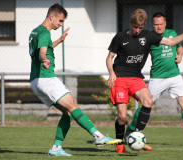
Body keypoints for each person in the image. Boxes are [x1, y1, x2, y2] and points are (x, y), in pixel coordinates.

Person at [28, 3, 122, 157]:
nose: (61, 24)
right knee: (73, 106)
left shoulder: (35, 31)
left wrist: (59, 40)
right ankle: (98, 136)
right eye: (60, 21)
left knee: (68, 113)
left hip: (35, 81)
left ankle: (56, 148)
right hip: (46, 79)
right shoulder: (45, 32)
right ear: (52, 16)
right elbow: (42, 53)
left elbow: (43, 47)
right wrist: (44, 60)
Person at [106, 9, 183, 153]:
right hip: (122, 78)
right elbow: (109, 57)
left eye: (140, 28)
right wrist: (111, 73)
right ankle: (120, 143)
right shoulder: (119, 37)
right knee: (122, 117)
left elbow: (172, 41)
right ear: (130, 23)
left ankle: (136, 135)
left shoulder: (148, 36)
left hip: (138, 78)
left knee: (148, 102)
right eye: (135, 27)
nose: (137, 30)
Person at [126, 12, 183, 145]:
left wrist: (180, 56)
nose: (158, 27)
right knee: (147, 103)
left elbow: (179, 49)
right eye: (156, 25)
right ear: (153, 25)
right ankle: (132, 129)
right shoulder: (149, 37)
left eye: (161, 24)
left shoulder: (172, 33)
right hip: (158, 77)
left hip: (175, 75)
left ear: (165, 24)